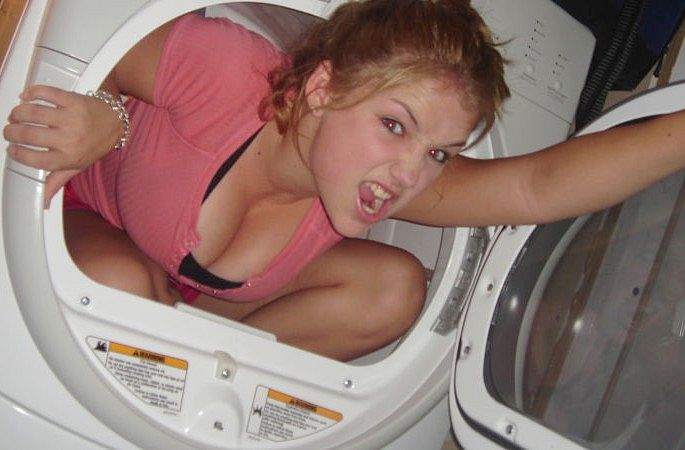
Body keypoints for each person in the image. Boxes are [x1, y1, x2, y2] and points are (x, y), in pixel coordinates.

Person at [4, 0, 685, 361]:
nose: (409, 175)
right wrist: (108, 114)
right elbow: (83, 28)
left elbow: (536, 186)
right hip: (91, 215)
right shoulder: (225, 73)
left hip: (193, 298)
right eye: (394, 124)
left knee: (394, 290)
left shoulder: (380, 178)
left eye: (439, 152)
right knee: (123, 288)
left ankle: (199, 356)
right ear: (323, 89)